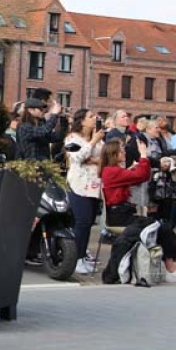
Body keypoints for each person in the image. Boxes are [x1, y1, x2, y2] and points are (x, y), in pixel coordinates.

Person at [100, 139, 176, 281]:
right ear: (114, 154)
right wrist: (143, 155)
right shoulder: (111, 171)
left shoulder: (111, 171)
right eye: (121, 151)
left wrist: (132, 169)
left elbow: (135, 176)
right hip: (119, 217)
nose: (124, 153)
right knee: (162, 227)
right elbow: (142, 175)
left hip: (123, 213)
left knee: (163, 227)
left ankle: (175, 267)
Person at [65, 109, 106, 274]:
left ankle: (82, 256)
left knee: (88, 222)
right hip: (79, 185)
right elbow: (77, 157)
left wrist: (94, 157)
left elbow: (103, 158)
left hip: (95, 186)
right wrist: (93, 141)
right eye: (91, 116)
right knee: (81, 222)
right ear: (82, 121)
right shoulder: (71, 138)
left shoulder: (98, 138)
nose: (95, 118)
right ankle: (75, 259)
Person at [14, 97, 63, 161]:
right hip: (28, 165)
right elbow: (43, 131)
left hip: (43, 164)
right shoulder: (23, 126)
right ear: (30, 110)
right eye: (40, 109)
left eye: (44, 109)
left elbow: (56, 137)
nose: (43, 111)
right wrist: (54, 115)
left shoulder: (40, 124)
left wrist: (63, 119)